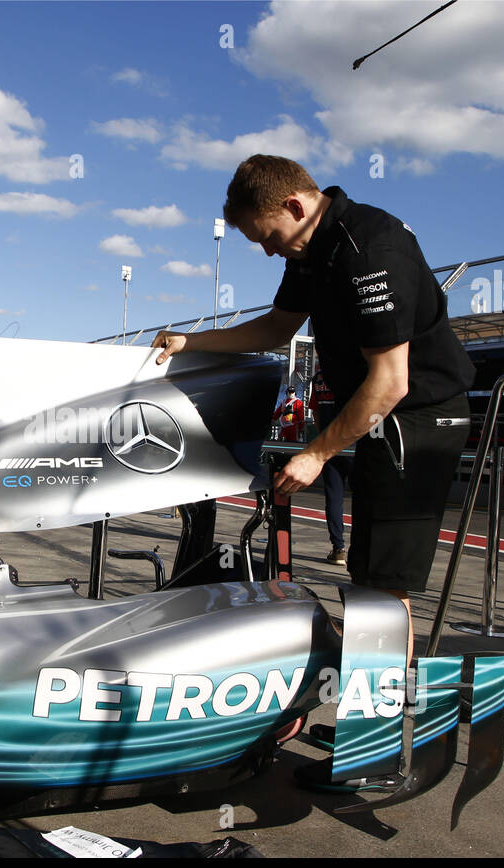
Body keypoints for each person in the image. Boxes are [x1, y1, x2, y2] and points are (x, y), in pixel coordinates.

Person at [153, 156, 474, 784]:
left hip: (419, 417)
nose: (269, 253)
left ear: (296, 206)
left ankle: (382, 750)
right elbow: (277, 325)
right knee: (370, 575)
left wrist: (316, 453)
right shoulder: (312, 249)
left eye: (267, 237)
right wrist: (192, 342)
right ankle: (371, 720)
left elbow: (391, 379)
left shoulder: (366, 247)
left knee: (385, 585)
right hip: (385, 415)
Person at [310, 368, 351, 566]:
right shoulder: (352, 370)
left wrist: (324, 439)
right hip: (354, 444)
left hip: (329, 446)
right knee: (365, 499)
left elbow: (316, 411)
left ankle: (339, 548)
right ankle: (362, 550)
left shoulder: (318, 378)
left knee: (334, 498)